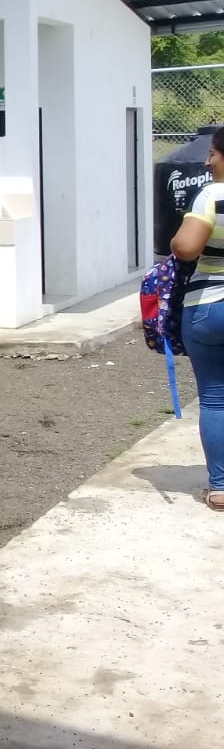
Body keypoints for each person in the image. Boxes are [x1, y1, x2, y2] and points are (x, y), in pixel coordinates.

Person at [171, 125, 224, 511]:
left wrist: (175, 241)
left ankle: (221, 487)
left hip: (208, 305)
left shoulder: (212, 195)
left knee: (215, 398)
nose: (207, 161)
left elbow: (187, 247)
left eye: (213, 153)